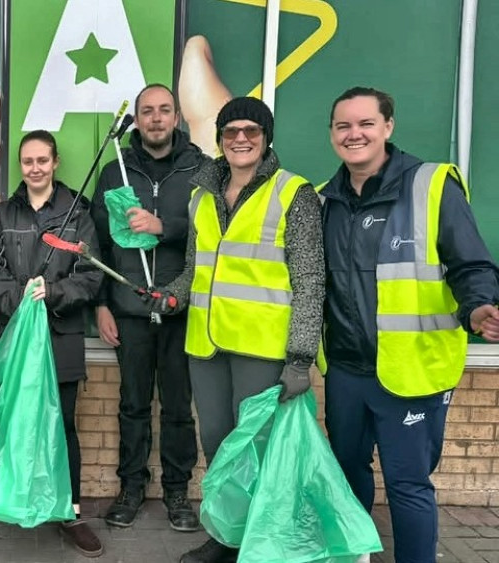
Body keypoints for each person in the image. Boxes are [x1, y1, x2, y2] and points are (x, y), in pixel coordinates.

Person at [320, 87, 499, 563]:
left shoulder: (432, 184)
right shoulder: (325, 200)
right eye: (343, 126)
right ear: (333, 134)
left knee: (407, 484)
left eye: (365, 123)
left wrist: (479, 306)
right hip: (346, 370)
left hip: (412, 370)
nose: (354, 134)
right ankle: (351, 555)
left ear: (388, 127)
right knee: (346, 472)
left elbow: (471, 264)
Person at [164, 97, 325, 563]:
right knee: (219, 447)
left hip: (262, 348)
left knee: (258, 451)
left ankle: (261, 542)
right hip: (208, 347)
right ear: (219, 138)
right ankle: (226, 538)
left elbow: (311, 278)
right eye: (231, 130)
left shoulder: (293, 193)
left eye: (251, 131)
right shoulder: (201, 196)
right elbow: (197, 269)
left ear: (266, 138)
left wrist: (300, 356)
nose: (240, 138)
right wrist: (171, 294)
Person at [0, 130, 105, 557]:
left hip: (60, 337)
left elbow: (90, 277)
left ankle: (70, 513)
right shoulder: (0, 216)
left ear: (55, 163)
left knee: (62, 425)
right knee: (13, 424)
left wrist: (51, 295)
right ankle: (9, 497)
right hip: (13, 338)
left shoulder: (78, 215)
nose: (35, 168)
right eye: (28, 161)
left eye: (42, 160)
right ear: (21, 165)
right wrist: (22, 303)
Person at [91, 84, 207, 530]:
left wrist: (166, 227)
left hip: (182, 309)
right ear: (136, 119)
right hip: (131, 310)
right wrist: (102, 304)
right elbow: (99, 244)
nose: (155, 118)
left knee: (178, 407)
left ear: (176, 116)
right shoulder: (114, 171)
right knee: (133, 404)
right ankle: (132, 487)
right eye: (146, 112)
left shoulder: (203, 169)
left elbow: (210, 236)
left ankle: (177, 492)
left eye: (164, 110)